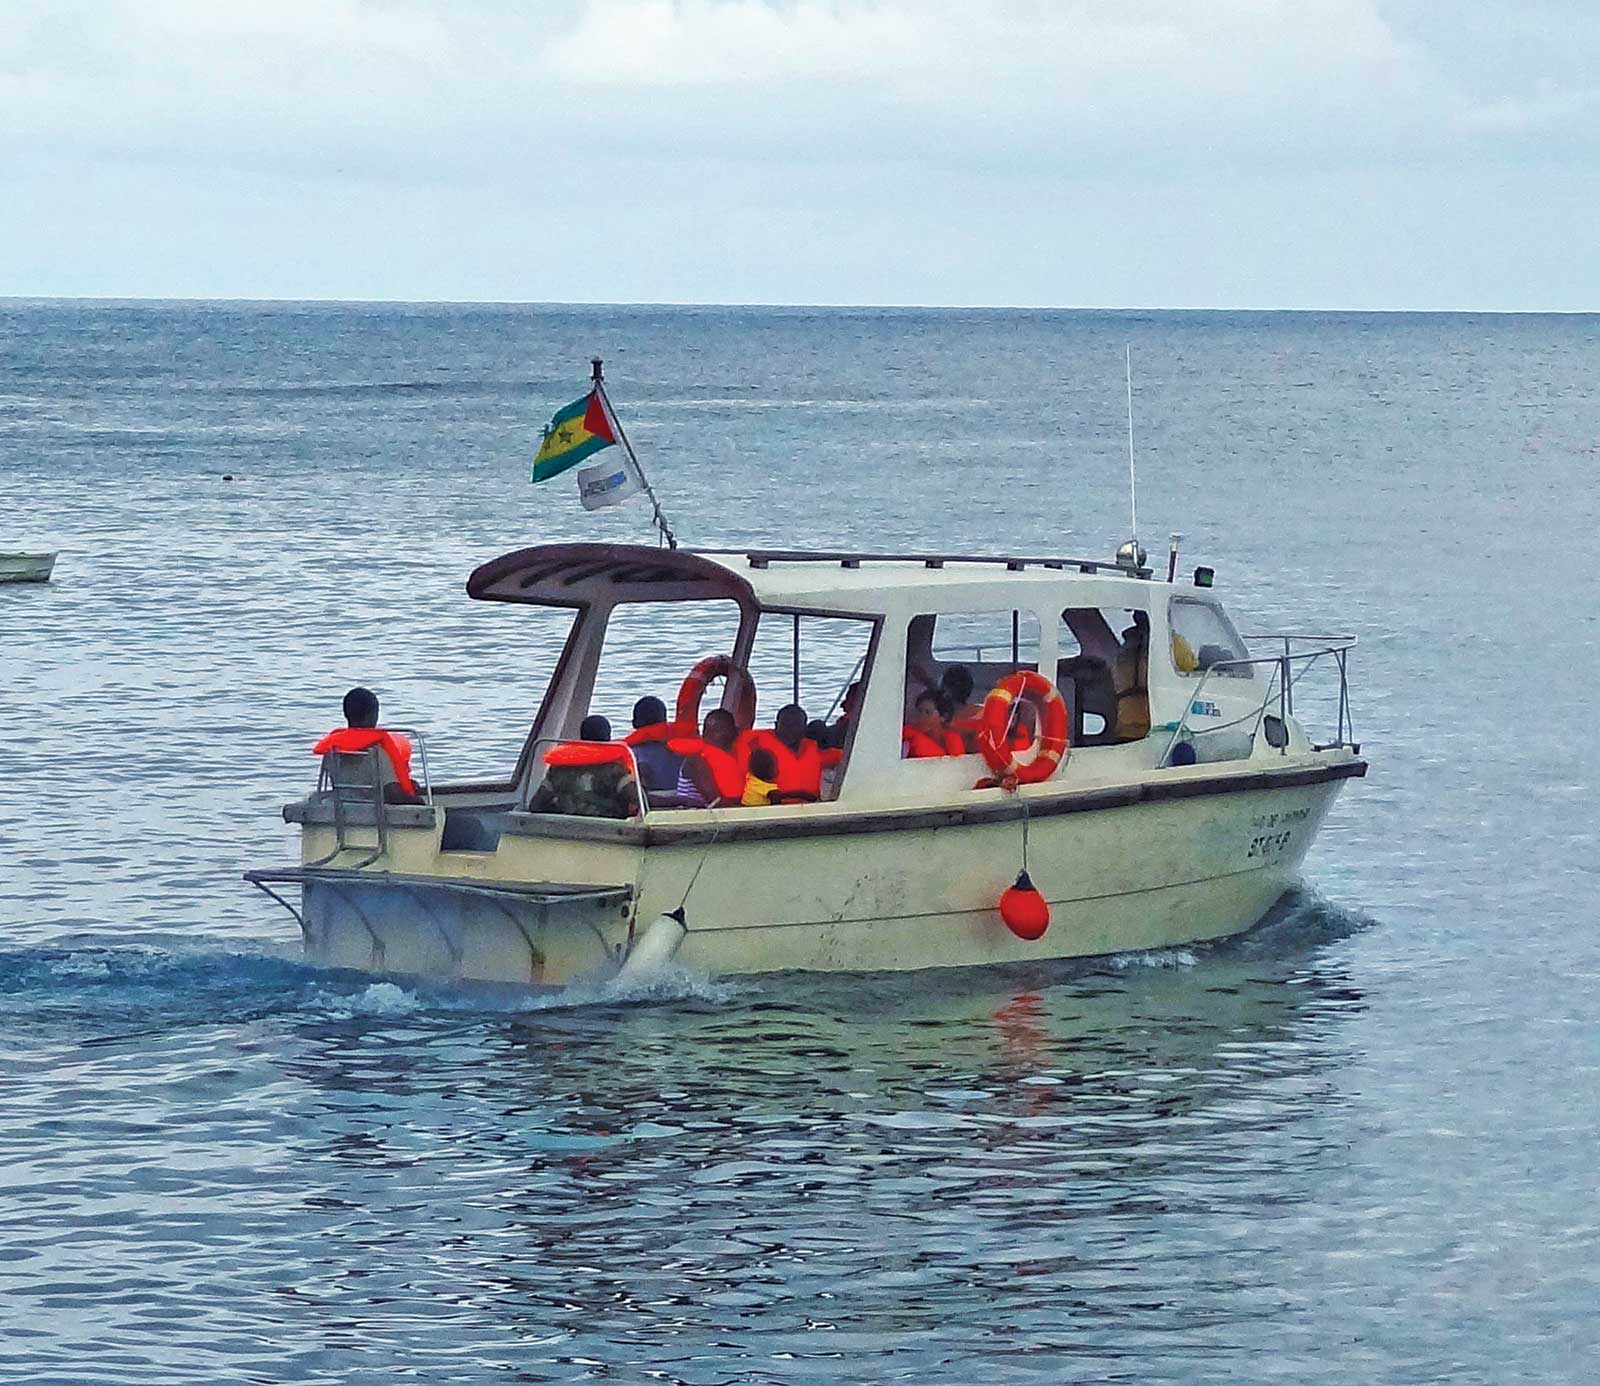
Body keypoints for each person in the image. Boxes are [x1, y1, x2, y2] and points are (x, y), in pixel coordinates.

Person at [312, 686, 422, 803]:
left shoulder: (333, 751)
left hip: (345, 807)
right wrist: (416, 800)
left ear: (346, 714)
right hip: (375, 813)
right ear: (373, 715)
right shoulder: (377, 752)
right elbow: (392, 794)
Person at [528, 714, 639, 819]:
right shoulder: (616, 771)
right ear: (608, 737)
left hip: (565, 826)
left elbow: (536, 805)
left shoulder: (558, 769)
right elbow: (638, 801)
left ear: (582, 737)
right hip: (608, 828)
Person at [743, 703, 842, 802]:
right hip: (774, 810)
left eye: (796, 725)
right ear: (776, 725)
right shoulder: (756, 746)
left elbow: (844, 756)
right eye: (786, 725)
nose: (790, 730)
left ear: (804, 728)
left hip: (812, 809)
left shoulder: (813, 749)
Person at [668, 708, 746, 807]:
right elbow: (714, 799)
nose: (710, 735)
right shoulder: (696, 761)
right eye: (709, 731)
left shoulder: (738, 755)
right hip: (693, 815)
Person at [623, 695, 683, 793]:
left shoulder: (632, 754)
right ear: (664, 722)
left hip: (651, 803)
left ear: (634, 723)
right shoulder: (683, 750)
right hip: (682, 797)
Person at [1112, 611, 1152, 741]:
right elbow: (1190, 664)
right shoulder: (1167, 645)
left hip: (1124, 725)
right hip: (1150, 727)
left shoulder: (1123, 650)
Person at [902, 689, 963, 758]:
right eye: (919, 711)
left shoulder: (953, 741)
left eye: (928, 712)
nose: (921, 716)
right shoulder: (906, 738)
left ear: (943, 717)